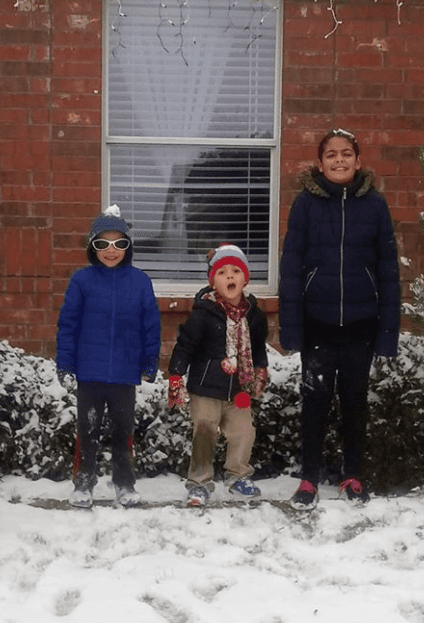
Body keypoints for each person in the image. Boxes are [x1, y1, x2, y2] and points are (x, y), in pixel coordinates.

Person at [279, 127, 400, 510]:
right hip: (318, 323)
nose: (339, 160)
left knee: (355, 403)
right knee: (314, 402)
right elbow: (291, 268)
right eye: (331, 154)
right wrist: (291, 330)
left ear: (358, 161)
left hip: (361, 324)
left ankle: (353, 475)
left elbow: (389, 270)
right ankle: (309, 478)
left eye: (346, 153)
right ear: (320, 163)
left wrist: (387, 334)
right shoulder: (306, 204)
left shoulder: (374, 204)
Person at [56, 207, 161, 508]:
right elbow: (68, 325)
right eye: (103, 243)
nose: (111, 250)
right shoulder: (82, 281)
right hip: (89, 372)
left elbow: (151, 325)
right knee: (87, 429)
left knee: (123, 431)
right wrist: (66, 364)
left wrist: (149, 361)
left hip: (124, 373)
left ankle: (124, 483)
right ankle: (83, 482)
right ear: (93, 247)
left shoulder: (140, 281)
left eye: (119, 243)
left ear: (128, 247)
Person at [168, 244, 268, 507]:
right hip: (205, 388)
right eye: (222, 272)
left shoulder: (255, 316)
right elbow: (185, 345)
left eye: (236, 271)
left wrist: (261, 369)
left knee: (244, 431)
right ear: (213, 282)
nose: (230, 276)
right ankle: (199, 482)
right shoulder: (203, 312)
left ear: (245, 279)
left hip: (240, 389)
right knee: (204, 431)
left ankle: (238, 476)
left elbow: (258, 347)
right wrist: (176, 375)